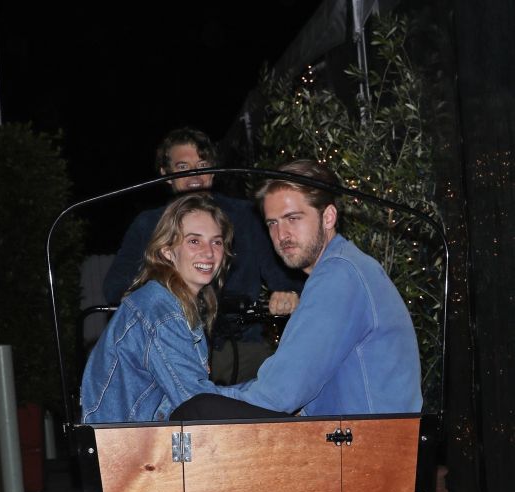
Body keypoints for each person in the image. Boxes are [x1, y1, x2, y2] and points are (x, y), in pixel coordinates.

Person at [171, 159, 422, 420]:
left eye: (293, 218)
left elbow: (279, 394)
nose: (282, 235)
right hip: (352, 441)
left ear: (328, 217)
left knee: (198, 412)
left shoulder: (339, 275)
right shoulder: (346, 266)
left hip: (369, 450)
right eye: (272, 223)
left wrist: (194, 400)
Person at [102, 126, 305, 383]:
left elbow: (283, 276)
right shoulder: (148, 224)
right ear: (166, 174)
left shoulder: (245, 215)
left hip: (242, 348)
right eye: (184, 167)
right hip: (174, 349)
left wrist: (287, 293)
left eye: (202, 163)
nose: (196, 174)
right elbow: (116, 287)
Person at [80, 194, 232, 423]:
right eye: (194, 241)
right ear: (167, 251)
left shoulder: (174, 301)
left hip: (143, 441)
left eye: (217, 241)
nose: (209, 252)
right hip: (125, 450)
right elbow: (197, 401)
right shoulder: (160, 310)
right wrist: (267, 398)